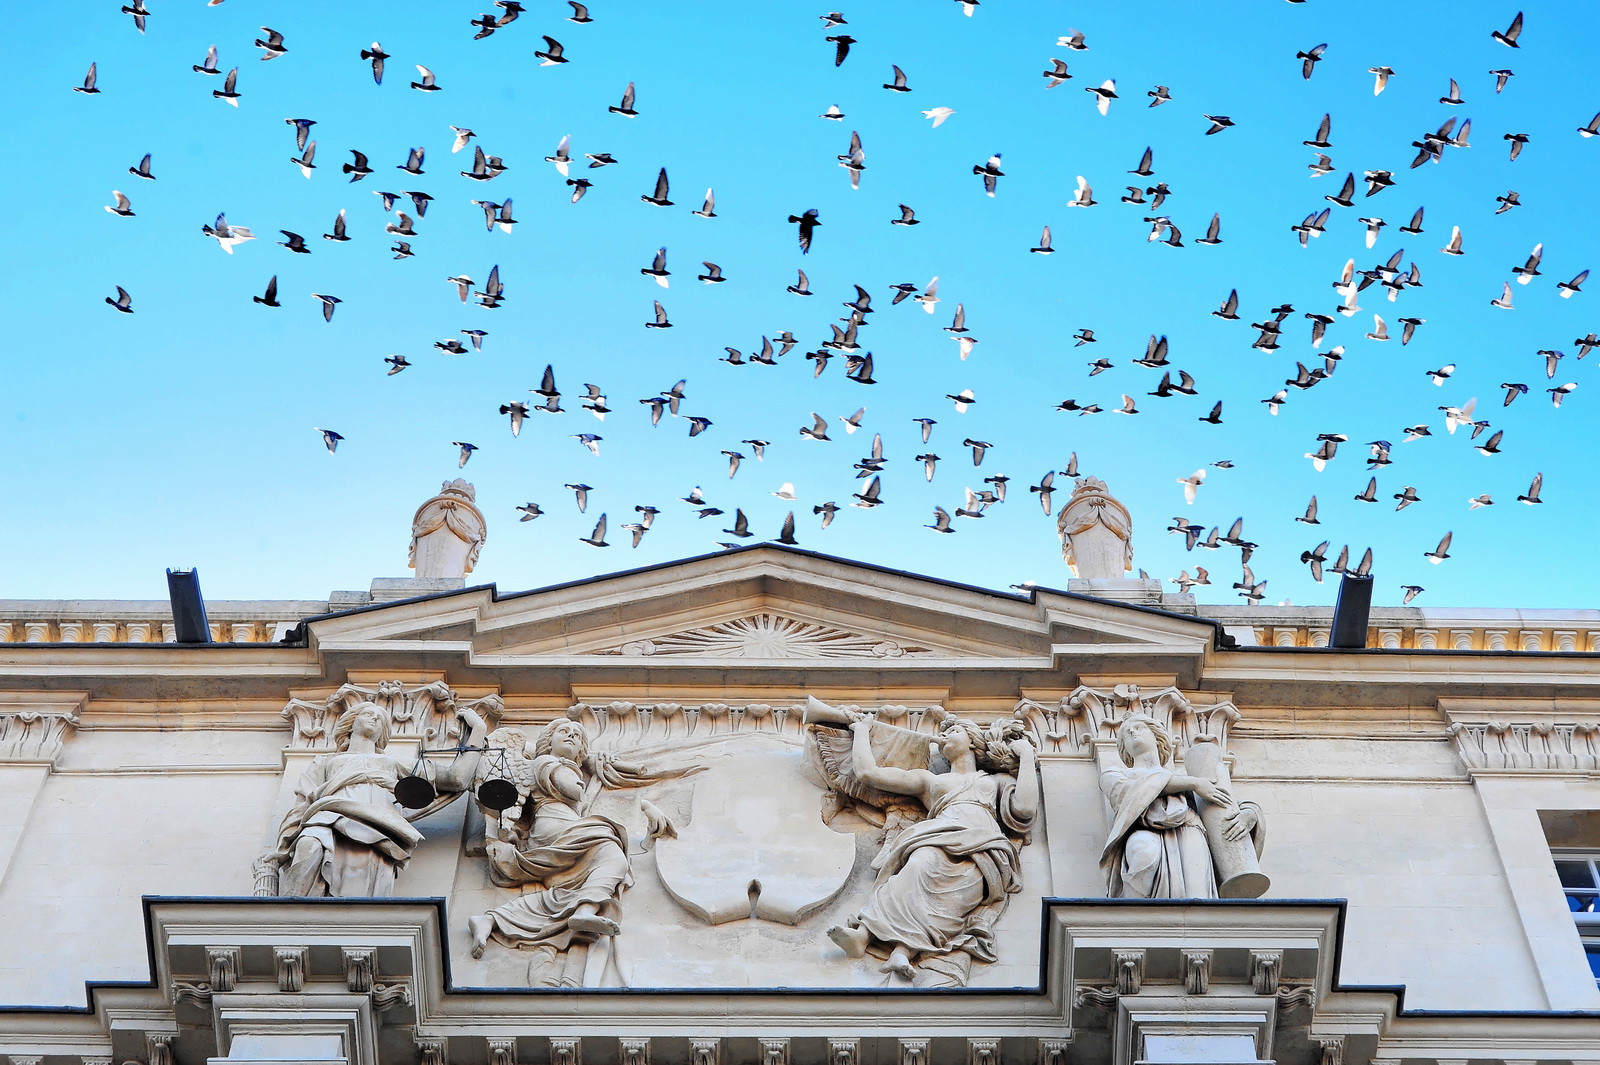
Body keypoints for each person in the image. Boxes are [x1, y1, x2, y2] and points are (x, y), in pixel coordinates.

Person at [825, 713, 1038, 985]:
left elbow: (1025, 808)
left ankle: (903, 951)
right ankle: (863, 935)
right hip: (937, 837)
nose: (945, 737)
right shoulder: (931, 781)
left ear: (972, 741)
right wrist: (862, 730)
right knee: (911, 873)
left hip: (982, 848)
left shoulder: (995, 781)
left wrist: (1026, 756)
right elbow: (869, 773)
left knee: (949, 904)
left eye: (954, 732)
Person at [467, 719, 684, 959]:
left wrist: (641, 805)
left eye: (577, 736)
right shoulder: (547, 763)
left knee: (563, 894)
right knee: (614, 855)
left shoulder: (557, 764)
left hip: (563, 827)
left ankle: (490, 920)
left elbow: (586, 802)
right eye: (564, 732)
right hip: (557, 828)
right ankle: (584, 911)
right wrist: (586, 766)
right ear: (548, 741)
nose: (571, 736)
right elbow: (575, 791)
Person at [263, 700, 486, 897]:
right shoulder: (325, 762)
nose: (375, 719)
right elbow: (302, 806)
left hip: (376, 827)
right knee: (308, 846)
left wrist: (478, 730)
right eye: (368, 714)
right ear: (351, 723)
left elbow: (456, 779)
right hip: (326, 817)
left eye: (380, 719)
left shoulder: (392, 763)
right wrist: (281, 850)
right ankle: (296, 915)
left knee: (361, 880)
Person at [1098, 713, 1258, 899]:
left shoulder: (1186, 776)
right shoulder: (1113, 774)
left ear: (1156, 735)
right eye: (1126, 733)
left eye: (1139, 727)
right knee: (1142, 850)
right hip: (1144, 831)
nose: (1132, 732)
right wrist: (1193, 784)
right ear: (1123, 747)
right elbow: (1129, 792)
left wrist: (1250, 812)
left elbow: (1223, 802)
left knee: (1196, 896)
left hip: (1190, 831)